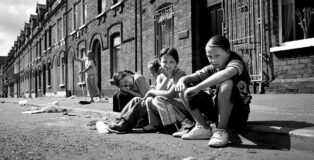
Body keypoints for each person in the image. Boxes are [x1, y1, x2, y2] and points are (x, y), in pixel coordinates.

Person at [175, 35, 252, 147]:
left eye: (217, 56)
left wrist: (198, 87)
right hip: (217, 112)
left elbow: (226, 74)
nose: (213, 60)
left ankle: (221, 131)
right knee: (184, 90)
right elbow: (191, 77)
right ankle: (203, 128)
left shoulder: (236, 63)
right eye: (209, 56)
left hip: (238, 114)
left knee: (227, 83)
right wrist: (180, 82)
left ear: (228, 53)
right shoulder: (211, 68)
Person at [142, 47, 194, 135]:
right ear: (159, 62)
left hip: (182, 107)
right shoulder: (160, 77)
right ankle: (155, 125)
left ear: (176, 63)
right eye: (164, 62)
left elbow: (170, 94)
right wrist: (167, 77)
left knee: (158, 99)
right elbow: (157, 93)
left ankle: (186, 123)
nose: (168, 65)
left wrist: (151, 91)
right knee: (149, 100)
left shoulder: (180, 73)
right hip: (168, 107)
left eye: (171, 62)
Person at [108, 60, 162, 132]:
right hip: (147, 105)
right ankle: (118, 120)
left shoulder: (138, 78)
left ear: (127, 74)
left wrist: (128, 91)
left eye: (126, 81)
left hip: (149, 105)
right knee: (123, 96)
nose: (127, 83)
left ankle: (125, 123)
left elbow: (143, 96)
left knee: (136, 99)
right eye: (124, 84)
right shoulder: (159, 79)